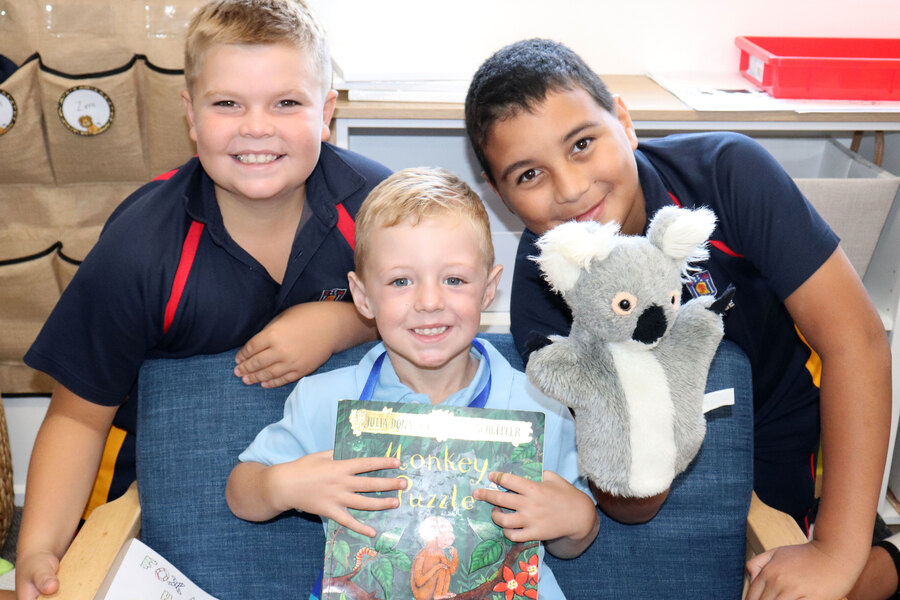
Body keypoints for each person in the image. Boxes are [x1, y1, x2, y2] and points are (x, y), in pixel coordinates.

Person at [463, 38, 891, 600]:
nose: (571, 189)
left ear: (623, 119)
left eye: (583, 144)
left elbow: (856, 341)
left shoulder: (729, 173)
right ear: (498, 195)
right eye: (528, 175)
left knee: (827, 577)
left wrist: (835, 553)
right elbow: (630, 501)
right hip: (658, 478)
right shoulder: (544, 297)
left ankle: (885, 559)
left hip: (778, 437)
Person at [16, 1, 390, 598]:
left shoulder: (381, 206)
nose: (257, 127)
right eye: (227, 103)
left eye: (286, 102)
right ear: (191, 116)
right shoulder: (139, 247)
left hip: (354, 492)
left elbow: (441, 314)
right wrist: (38, 548)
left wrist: (346, 321)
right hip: (160, 494)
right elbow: (77, 418)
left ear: (326, 112)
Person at [226, 167, 600, 599]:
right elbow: (242, 491)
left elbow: (573, 542)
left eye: (454, 280)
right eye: (401, 281)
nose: (428, 302)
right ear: (363, 297)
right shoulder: (323, 400)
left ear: (488, 290)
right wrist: (283, 486)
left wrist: (578, 520)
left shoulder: (541, 403)